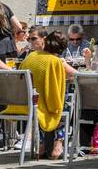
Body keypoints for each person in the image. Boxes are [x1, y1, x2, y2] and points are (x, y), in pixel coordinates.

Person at [11, 31, 73, 159]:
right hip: (42, 107)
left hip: (22, 104)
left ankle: (41, 143)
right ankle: (58, 143)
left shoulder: (30, 57)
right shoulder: (56, 61)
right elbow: (76, 76)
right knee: (64, 104)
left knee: (43, 102)